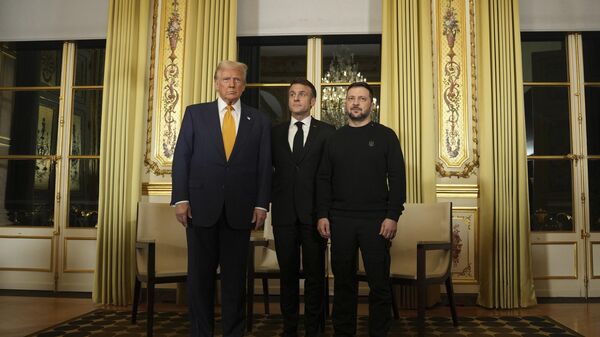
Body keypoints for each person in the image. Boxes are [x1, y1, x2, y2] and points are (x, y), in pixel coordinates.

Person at [171, 60, 271, 337]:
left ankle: (233, 332)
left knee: (234, 280)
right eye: (226, 79)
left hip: (241, 211)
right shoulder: (195, 114)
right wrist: (181, 199)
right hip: (200, 208)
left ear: (244, 85)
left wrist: (262, 203)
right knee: (200, 278)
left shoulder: (259, 119)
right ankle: (201, 332)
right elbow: (182, 158)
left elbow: (265, 166)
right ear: (216, 83)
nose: (231, 84)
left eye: (237, 80)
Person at [316, 82, 406, 337]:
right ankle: (344, 332)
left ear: (371, 104)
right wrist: (323, 214)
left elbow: (398, 178)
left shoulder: (386, 136)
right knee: (343, 284)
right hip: (340, 220)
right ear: (345, 103)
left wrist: (392, 216)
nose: (356, 103)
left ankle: (378, 332)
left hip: (377, 220)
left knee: (379, 284)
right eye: (351, 98)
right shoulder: (334, 138)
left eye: (362, 99)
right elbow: (323, 179)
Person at [271, 78, 335, 337]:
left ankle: (314, 329)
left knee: (315, 277)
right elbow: (267, 171)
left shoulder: (328, 132)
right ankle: (289, 328)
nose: (296, 98)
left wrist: (324, 213)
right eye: (292, 94)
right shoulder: (274, 132)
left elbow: (330, 177)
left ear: (313, 101)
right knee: (286, 276)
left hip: (314, 216)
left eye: (302, 94)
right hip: (284, 215)